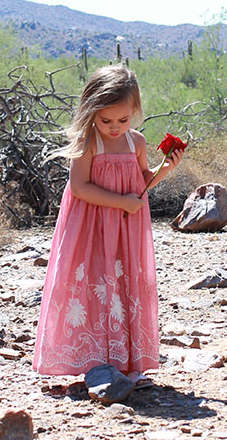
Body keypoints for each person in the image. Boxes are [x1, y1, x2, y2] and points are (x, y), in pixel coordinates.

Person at [32, 65, 184, 385]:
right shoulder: (88, 142)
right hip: (90, 225)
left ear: (135, 112)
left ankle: (122, 357)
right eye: (106, 121)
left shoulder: (136, 143)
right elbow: (80, 188)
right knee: (92, 282)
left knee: (123, 281)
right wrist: (122, 202)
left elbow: (141, 182)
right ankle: (88, 355)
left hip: (125, 226)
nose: (115, 127)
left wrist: (165, 169)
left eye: (123, 120)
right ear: (91, 111)